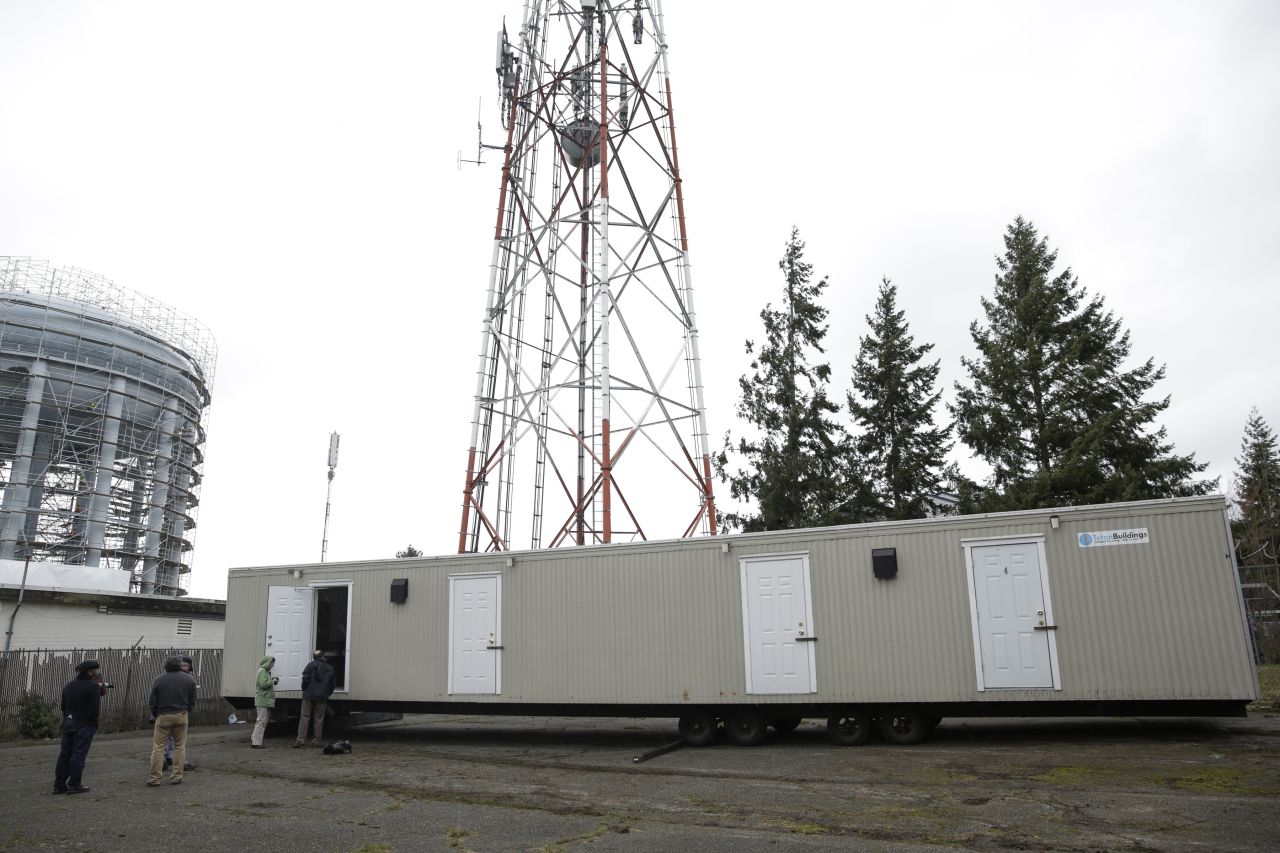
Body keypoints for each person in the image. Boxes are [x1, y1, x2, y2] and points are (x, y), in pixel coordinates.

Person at [148, 656, 197, 786]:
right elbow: (192, 699)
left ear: (166, 666)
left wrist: (154, 714)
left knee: (158, 748)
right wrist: (187, 710)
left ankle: (155, 779)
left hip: (163, 715)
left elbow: (153, 701)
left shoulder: (159, 679)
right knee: (179, 747)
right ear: (179, 666)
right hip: (181, 714)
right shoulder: (189, 679)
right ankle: (176, 777)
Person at [53, 660, 101, 795]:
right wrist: (93, 723)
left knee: (64, 754)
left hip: (68, 722)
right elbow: (94, 710)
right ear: (90, 671)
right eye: (95, 670)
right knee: (79, 754)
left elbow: (63, 706)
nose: (96, 673)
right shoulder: (93, 687)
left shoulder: (68, 686)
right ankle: (74, 784)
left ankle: (59, 785)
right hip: (84, 724)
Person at [294, 650, 336, 747]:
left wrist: (304, 689)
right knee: (319, 719)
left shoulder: (310, 665)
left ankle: (300, 740)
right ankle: (316, 741)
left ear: (314, 657)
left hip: (308, 695)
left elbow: (305, 679)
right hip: (322, 697)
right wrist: (326, 693)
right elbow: (332, 684)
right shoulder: (330, 668)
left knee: (304, 717)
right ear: (323, 657)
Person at [163, 655, 197, 772]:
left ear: (190, 667)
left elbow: (192, 697)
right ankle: (170, 759)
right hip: (173, 710)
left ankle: (170, 757)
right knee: (173, 738)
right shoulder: (175, 678)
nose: (183, 667)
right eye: (181, 665)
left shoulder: (189, 678)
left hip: (178, 710)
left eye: (186, 665)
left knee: (174, 737)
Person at [251, 655, 277, 749]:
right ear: (268, 663)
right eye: (272, 663)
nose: (273, 665)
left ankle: (256, 741)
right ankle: (256, 743)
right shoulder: (262, 671)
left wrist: (271, 680)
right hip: (262, 700)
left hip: (264, 700)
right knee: (261, 721)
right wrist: (272, 681)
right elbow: (263, 684)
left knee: (262, 721)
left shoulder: (264, 671)